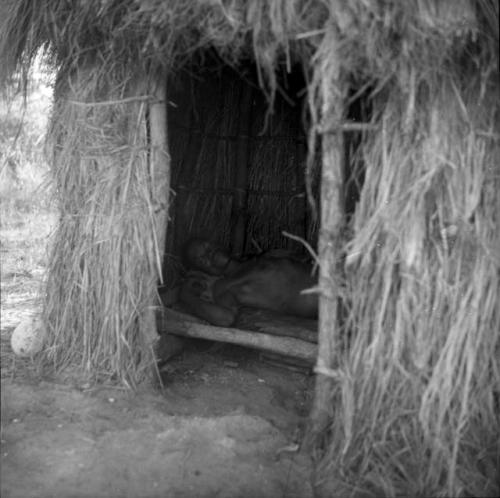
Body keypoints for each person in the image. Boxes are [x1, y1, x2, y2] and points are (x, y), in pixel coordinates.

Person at [179, 237, 318, 327]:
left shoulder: (258, 258)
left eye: (206, 245)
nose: (208, 253)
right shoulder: (226, 286)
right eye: (201, 259)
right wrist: (187, 297)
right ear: (201, 270)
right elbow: (225, 319)